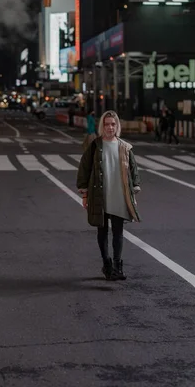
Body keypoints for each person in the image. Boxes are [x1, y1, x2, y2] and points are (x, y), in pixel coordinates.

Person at [77, 110, 141, 281]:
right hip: (100, 196)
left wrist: (133, 194)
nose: (110, 127)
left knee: (118, 233)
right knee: (102, 232)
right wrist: (84, 195)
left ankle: (118, 266)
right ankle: (107, 265)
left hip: (119, 196)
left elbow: (133, 171)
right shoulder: (95, 145)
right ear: (102, 126)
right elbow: (84, 169)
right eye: (106, 124)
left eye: (113, 124)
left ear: (117, 126)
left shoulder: (125, 147)